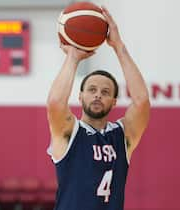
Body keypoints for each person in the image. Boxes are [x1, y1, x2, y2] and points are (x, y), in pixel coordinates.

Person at [47, 6, 150, 210]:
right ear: (80, 96)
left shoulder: (122, 136)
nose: (97, 95)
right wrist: (73, 57)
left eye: (105, 92)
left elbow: (141, 101)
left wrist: (119, 47)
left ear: (113, 101)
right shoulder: (68, 132)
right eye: (92, 89)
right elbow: (56, 103)